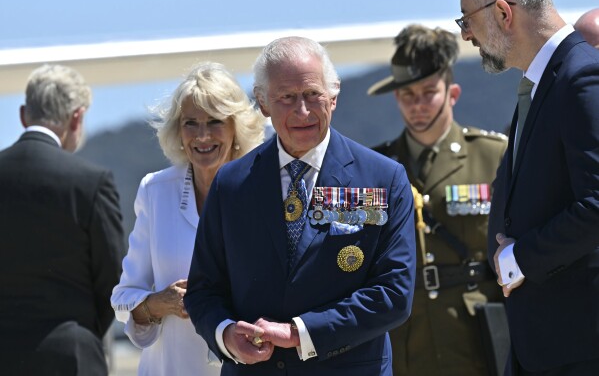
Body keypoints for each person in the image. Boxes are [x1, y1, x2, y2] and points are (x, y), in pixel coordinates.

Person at [184, 36, 417, 376]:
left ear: (333, 97)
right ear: (263, 104)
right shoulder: (231, 184)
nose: (303, 111)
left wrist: (299, 333)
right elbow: (203, 290)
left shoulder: (383, 178)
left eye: (312, 95)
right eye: (287, 98)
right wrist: (226, 335)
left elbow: (393, 294)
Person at [458, 0, 599, 374]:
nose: (467, 35)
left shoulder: (581, 78)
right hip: (544, 347)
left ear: (503, 13)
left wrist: (519, 258)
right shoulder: (544, 84)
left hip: (579, 349)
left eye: (467, 20)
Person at [368, 24, 508, 375]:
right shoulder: (376, 168)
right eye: (407, 95)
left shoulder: (494, 156)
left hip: (477, 337)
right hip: (405, 341)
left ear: (453, 93)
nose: (417, 105)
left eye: (428, 92)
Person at [110, 61, 264, 375]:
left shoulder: (265, 191)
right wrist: (157, 303)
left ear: (236, 127)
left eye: (215, 121)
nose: (202, 135)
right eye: (191, 123)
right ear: (178, 131)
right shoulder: (154, 191)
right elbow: (122, 298)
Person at [0, 64, 126, 375]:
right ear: (76, 118)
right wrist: (81, 334)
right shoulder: (91, 182)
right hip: (72, 355)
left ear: (23, 115)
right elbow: (112, 275)